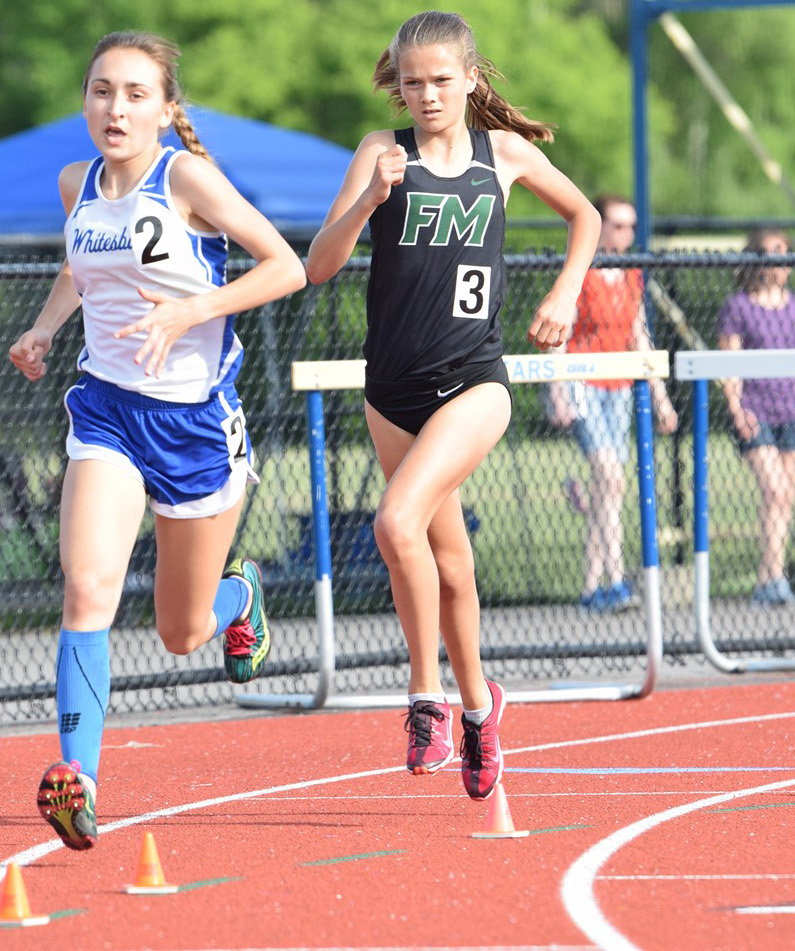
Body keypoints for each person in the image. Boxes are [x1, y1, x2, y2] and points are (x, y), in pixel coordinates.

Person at [9, 30, 305, 851]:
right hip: (106, 409)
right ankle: (79, 780)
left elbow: (285, 266)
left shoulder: (185, 178)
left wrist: (191, 310)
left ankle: (238, 597)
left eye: (136, 94)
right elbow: (77, 268)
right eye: (102, 90)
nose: (115, 108)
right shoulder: (75, 184)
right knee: (86, 587)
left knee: (181, 632)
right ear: (85, 100)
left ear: (166, 110)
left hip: (193, 424)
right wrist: (43, 329)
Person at [303, 11, 600, 801]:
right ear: (396, 87)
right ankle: (478, 709)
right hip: (390, 388)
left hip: (473, 380)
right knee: (449, 560)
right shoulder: (380, 151)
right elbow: (318, 265)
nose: (427, 94)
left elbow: (585, 215)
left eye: (440, 79)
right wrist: (368, 200)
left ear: (469, 78)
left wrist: (565, 292)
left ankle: (424, 697)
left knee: (394, 523)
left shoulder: (501, 154)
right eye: (412, 82)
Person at [546, 195, 678, 612]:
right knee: (610, 474)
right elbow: (561, 333)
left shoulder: (632, 275)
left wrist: (660, 398)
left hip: (620, 385)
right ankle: (617, 579)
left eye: (630, 226)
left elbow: (639, 334)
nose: (626, 234)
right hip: (584, 380)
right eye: (618, 225)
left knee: (608, 487)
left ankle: (592, 588)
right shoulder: (581, 271)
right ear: (599, 226)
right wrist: (558, 389)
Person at [718, 228, 795, 606]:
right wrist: (737, 410)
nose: (781, 262)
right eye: (772, 254)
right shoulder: (738, 307)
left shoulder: (793, 306)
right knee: (775, 490)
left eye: (785, 253)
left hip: (791, 411)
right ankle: (772, 576)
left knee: (786, 496)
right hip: (756, 411)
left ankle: (770, 576)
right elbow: (729, 364)